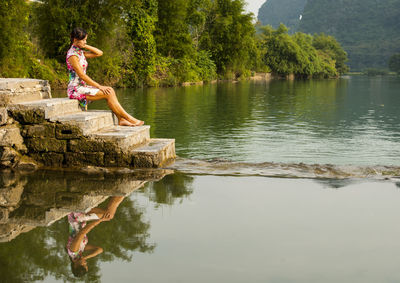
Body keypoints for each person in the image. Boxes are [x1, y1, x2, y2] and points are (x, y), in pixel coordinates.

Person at [66, 27, 144, 127]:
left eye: (86, 39)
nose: (85, 42)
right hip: (75, 90)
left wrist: (84, 45)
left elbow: (99, 53)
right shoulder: (72, 55)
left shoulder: (79, 52)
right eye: (84, 40)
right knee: (108, 93)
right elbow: (82, 75)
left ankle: (121, 119)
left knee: (110, 90)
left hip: (82, 87)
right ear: (75, 40)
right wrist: (99, 86)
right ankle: (128, 118)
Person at [66, 196, 124, 277]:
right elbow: (99, 250)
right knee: (109, 215)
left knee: (108, 215)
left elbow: (82, 232)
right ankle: (121, 193)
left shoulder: (73, 250)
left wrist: (99, 221)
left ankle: (120, 192)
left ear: (75, 265)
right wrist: (85, 258)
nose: (86, 263)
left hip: (76, 216)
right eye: (86, 265)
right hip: (82, 218)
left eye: (84, 265)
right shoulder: (79, 253)